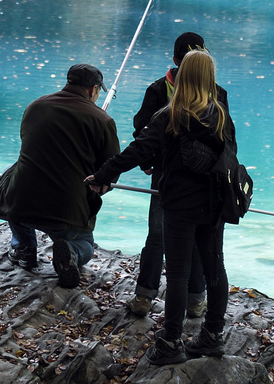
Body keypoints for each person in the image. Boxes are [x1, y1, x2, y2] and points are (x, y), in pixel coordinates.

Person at [88, 50, 235, 366]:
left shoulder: (170, 115)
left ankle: (171, 342)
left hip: (180, 205)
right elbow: (230, 160)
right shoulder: (221, 115)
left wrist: (102, 174)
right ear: (210, 79)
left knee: (179, 274)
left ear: (181, 76)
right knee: (215, 269)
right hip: (214, 204)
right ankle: (212, 337)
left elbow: (139, 151)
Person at [123, 33, 229, 320]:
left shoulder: (209, 94)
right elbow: (142, 131)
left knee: (173, 238)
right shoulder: (167, 91)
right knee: (173, 237)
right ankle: (165, 298)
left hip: (184, 181)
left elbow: (142, 131)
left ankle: (174, 299)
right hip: (184, 180)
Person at [0, 64, 120, 288]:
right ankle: (71, 251)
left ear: (69, 82)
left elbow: (28, 145)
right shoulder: (102, 121)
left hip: (21, 200)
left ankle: (24, 248)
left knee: (15, 173)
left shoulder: (35, 107)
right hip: (66, 207)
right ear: (93, 90)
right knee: (85, 245)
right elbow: (110, 170)